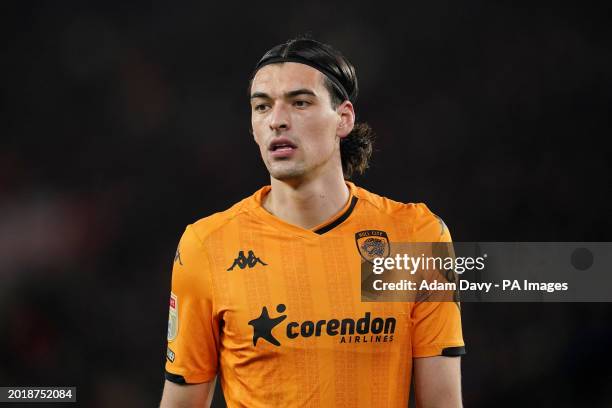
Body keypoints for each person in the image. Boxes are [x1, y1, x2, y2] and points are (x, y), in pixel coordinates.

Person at [160, 37, 465, 407]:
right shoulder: (207, 245)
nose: (277, 120)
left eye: (300, 102)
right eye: (262, 107)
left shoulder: (414, 236)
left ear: (344, 118)